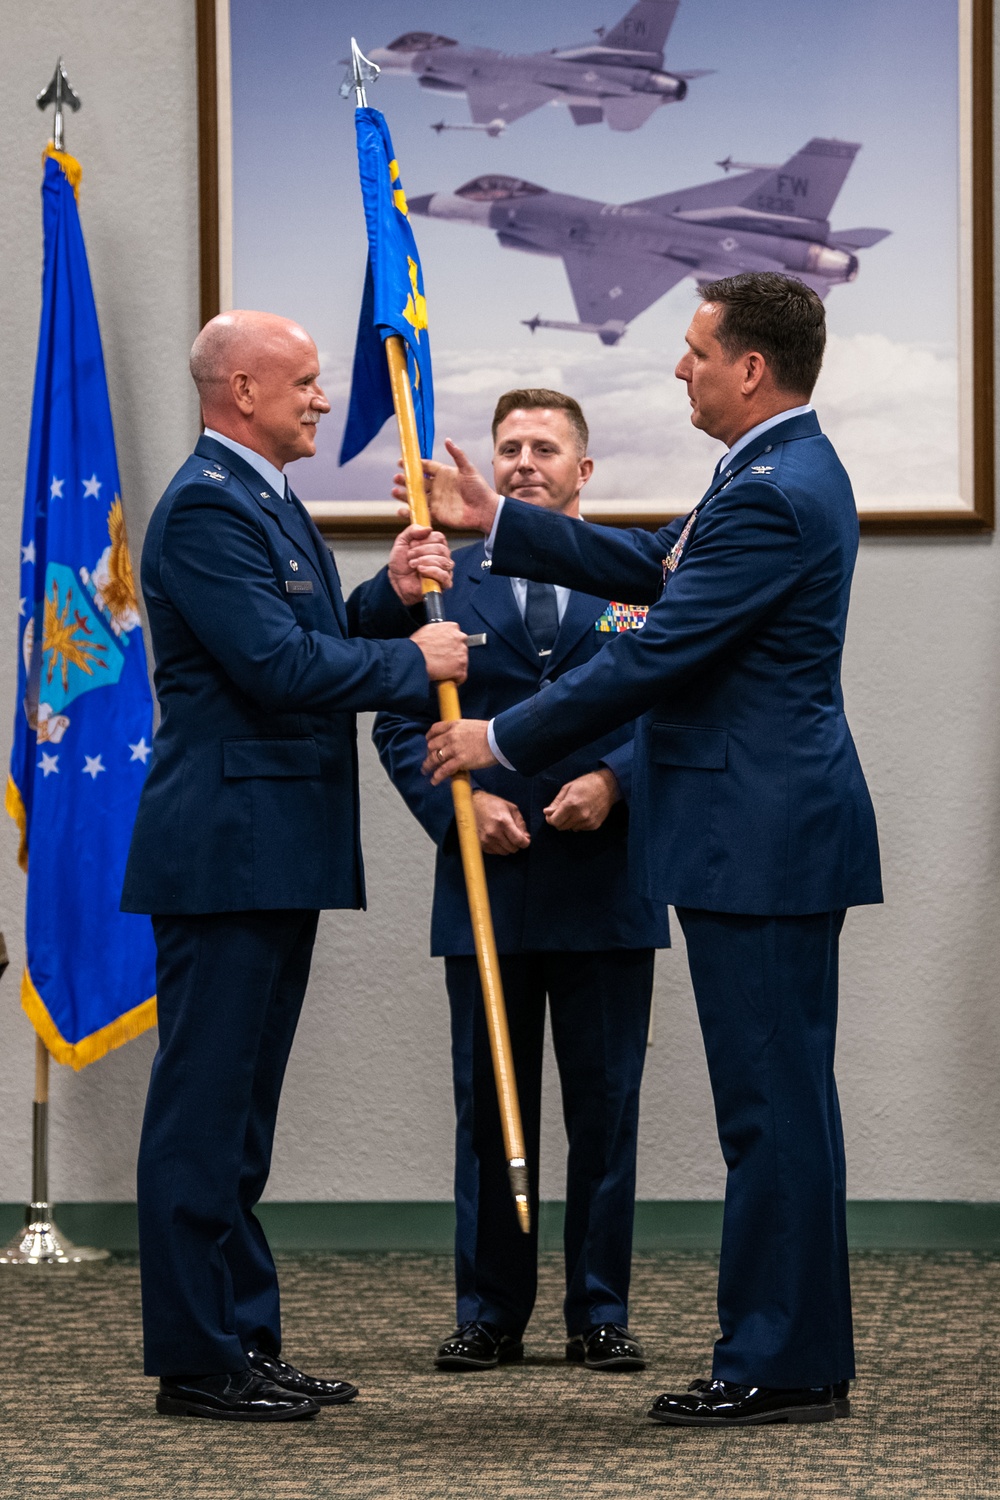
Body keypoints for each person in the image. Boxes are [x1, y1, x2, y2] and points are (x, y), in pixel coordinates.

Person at [409, 273, 882, 1428]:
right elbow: (650, 570)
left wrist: (498, 733)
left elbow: (654, 654)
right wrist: (506, 524)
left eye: (694, 351)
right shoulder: (765, 474)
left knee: (768, 1112)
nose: (679, 368)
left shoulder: (773, 492)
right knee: (781, 1106)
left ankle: (775, 1361)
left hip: (758, 839)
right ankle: (799, 1352)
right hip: (760, 834)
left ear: (750, 369)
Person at [121, 309, 467, 1423]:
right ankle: (195, 1359)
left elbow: (311, 631)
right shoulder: (207, 509)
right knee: (203, 1115)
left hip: (273, 848)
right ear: (242, 393)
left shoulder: (264, 499)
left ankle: (243, 1338)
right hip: (225, 850)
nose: (322, 398)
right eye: (306, 383)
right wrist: (412, 662)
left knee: (244, 1120)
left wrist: (388, 595)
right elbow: (273, 668)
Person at [374, 390, 669, 1374]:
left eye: (546, 448)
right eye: (509, 448)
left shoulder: (638, 577)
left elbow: (672, 708)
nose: (524, 462)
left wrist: (612, 782)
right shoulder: (439, 577)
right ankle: (490, 1310)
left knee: (604, 1111)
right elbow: (390, 717)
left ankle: (599, 1311)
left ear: (584, 471)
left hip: (607, 880)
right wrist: (458, 815)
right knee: (490, 1111)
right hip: (489, 889)